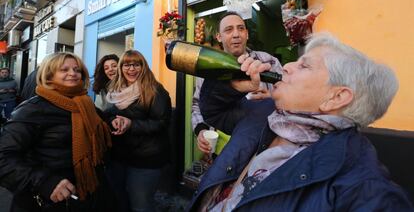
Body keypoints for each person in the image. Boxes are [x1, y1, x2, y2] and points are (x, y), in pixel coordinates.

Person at [188, 33, 414, 211]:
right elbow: (215, 113)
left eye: (304, 65)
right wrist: (231, 87)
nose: (286, 66)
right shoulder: (266, 112)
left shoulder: (361, 183)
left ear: (336, 97)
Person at [0, 53, 115, 212]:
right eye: (64, 69)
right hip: (47, 201)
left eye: (76, 69)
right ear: (49, 74)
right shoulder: (32, 109)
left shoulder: (84, 103)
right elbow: (4, 158)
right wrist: (44, 182)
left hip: (87, 195)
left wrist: (115, 120)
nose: (73, 73)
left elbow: (101, 124)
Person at [192, 12, 283, 154]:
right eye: (228, 30)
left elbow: (287, 94)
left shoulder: (267, 61)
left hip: (263, 147)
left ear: (246, 34)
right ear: (219, 37)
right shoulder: (208, 72)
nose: (236, 34)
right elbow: (197, 105)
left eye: (241, 28)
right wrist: (201, 130)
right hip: (224, 149)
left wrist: (272, 98)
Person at [104, 50, 172, 212]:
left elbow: (162, 123)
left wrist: (131, 125)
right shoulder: (115, 89)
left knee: (140, 205)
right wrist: (113, 121)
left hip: (146, 160)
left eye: (136, 64)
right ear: (121, 68)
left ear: (143, 67)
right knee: (120, 201)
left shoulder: (155, 91)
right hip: (119, 157)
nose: (131, 69)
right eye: (127, 65)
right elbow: (107, 115)